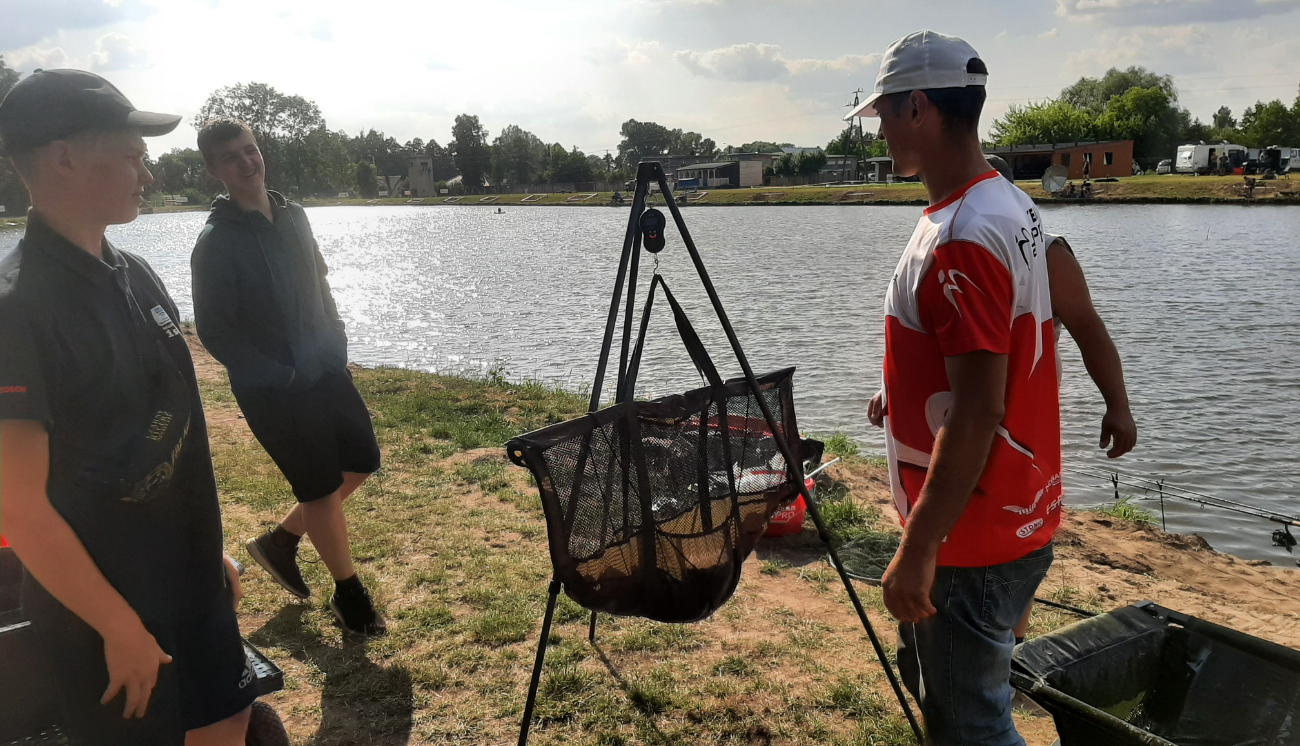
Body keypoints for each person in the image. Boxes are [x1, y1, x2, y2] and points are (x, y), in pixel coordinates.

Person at [0, 69, 254, 745]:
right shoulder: (16, 311)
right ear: (64, 158)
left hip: (188, 580)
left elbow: (163, 430)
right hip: (104, 612)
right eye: (133, 157)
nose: (148, 175)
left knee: (230, 717)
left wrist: (205, 553)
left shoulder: (136, 273)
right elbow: (18, 507)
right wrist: (117, 625)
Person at [847, 31, 1058, 744]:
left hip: (972, 538)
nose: (878, 132)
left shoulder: (963, 234)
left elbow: (976, 409)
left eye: (881, 114)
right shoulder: (1006, 205)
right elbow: (990, 357)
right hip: (1016, 511)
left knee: (972, 725)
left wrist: (919, 546)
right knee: (952, 695)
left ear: (917, 110)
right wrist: (901, 393)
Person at [190, 118, 385, 636]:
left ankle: (279, 542)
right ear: (214, 170)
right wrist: (278, 375)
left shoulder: (295, 215)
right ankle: (349, 594)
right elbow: (216, 331)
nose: (247, 162)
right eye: (232, 157)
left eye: (251, 150)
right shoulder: (216, 241)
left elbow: (319, 280)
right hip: (275, 389)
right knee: (319, 485)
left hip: (325, 367)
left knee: (361, 462)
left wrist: (336, 337)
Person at [980, 156, 1137, 645]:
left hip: (1024, 413)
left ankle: (1014, 646)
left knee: (1022, 528)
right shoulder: (953, 243)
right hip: (958, 412)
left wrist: (1118, 405)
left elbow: (1089, 330)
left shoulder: (1048, 255)